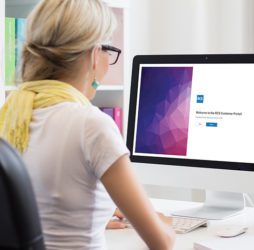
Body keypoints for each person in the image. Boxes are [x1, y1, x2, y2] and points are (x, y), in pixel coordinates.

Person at [0, 0, 175, 249]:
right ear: (94, 54)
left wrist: (94, 215)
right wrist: (166, 224)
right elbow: (161, 243)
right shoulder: (91, 125)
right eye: (109, 50)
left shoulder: (12, 114)